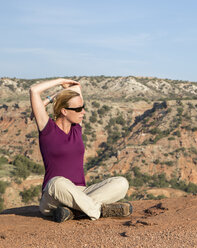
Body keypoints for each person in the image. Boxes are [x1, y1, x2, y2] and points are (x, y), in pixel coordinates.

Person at [29, 78, 132, 223]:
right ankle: (96, 211)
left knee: (121, 183)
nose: (83, 112)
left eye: (82, 107)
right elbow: (34, 90)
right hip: (55, 195)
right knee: (57, 182)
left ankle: (74, 212)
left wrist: (60, 94)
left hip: (80, 192)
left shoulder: (76, 128)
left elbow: (76, 88)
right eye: (78, 109)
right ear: (64, 111)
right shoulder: (47, 129)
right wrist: (59, 82)